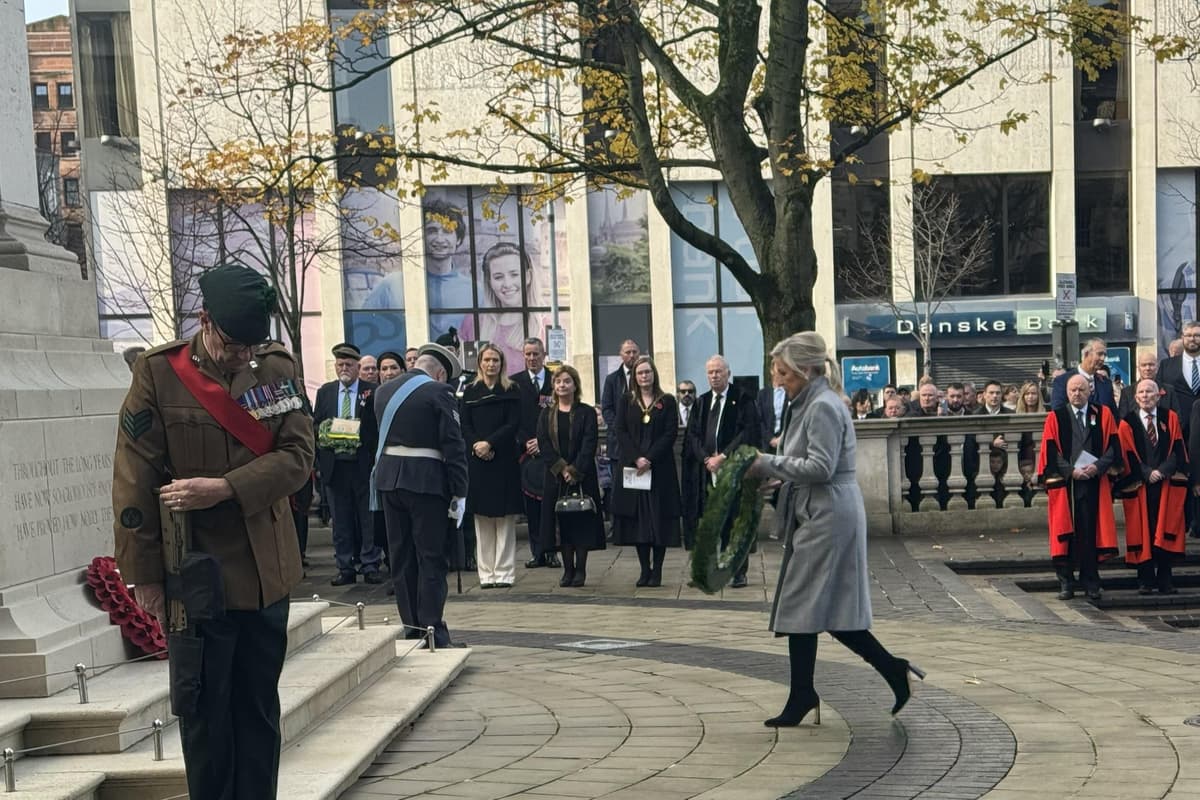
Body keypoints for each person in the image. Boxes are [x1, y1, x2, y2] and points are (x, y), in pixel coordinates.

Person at [112, 263, 314, 800]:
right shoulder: (159, 373)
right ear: (204, 321)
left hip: (266, 571)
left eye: (250, 347)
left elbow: (298, 457)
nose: (243, 357)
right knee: (204, 713)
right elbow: (134, 479)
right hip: (196, 574)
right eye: (232, 345)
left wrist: (225, 488)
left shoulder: (275, 369)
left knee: (257, 709)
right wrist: (144, 577)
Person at [750, 331, 923, 727]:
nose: (777, 380)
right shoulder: (810, 402)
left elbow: (821, 467)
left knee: (805, 605)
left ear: (807, 370)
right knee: (823, 608)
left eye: (783, 373)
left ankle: (810, 693)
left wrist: (766, 463)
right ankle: (886, 672)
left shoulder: (822, 406)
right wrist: (777, 475)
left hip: (827, 513)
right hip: (823, 509)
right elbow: (808, 462)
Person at [374, 343, 468, 647]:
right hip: (426, 483)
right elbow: (453, 445)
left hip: (389, 480)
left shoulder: (383, 392)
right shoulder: (439, 392)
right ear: (440, 374)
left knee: (401, 558)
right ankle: (433, 631)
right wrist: (460, 491)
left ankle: (412, 628)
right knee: (431, 558)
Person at [1037, 373, 1121, 601]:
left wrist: (1097, 467)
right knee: (1065, 534)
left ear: (1090, 391)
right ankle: (1066, 582)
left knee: (1090, 532)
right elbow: (1050, 451)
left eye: (1081, 389)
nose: (1077, 393)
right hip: (1066, 485)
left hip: (1094, 483)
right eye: (1073, 390)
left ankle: (1091, 581)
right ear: (1067, 392)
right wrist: (1070, 471)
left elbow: (1113, 447)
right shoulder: (1056, 417)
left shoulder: (1103, 414)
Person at [683, 354, 760, 580]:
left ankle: (738, 571)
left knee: (734, 520)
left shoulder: (742, 399)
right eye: (710, 372)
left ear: (728, 373)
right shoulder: (702, 402)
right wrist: (706, 459)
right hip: (708, 471)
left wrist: (724, 456)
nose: (714, 376)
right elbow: (693, 435)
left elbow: (748, 431)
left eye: (718, 371)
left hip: (733, 469)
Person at [313, 342, 383, 585]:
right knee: (340, 520)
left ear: (357, 367)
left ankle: (370, 564)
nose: (344, 368)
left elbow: (377, 427)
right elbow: (317, 423)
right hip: (335, 465)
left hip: (362, 464)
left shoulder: (371, 391)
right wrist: (326, 435)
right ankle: (345, 566)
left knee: (367, 518)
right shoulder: (325, 392)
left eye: (349, 365)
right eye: (340, 364)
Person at [611, 356, 681, 587]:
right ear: (634, 376)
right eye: (640, 373)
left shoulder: (667, 401)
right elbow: (621, 431)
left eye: (647, 372)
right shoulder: (626, 400)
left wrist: (650, 458)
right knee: (638, 523)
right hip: (635, 470)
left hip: (659, 469)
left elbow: (670, 433)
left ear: (654, 374)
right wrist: (637, 458)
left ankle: (657, 570)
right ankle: (644, 570)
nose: (644, 376)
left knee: (659, 521)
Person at [460, 342, 523, 589]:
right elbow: (464, 424)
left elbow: (513, 423)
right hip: (478, 462)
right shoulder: (470, 391)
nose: (491, 364)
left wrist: (490, 443)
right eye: (487, 360)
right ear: (480, 363)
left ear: (502, 364)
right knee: (482, 519)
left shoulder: (511, 389)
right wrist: (477, 445)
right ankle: (486, 574)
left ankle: (504, 573)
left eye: (495, 360)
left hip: (503, 460)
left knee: (505, 520)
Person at [1116, 379, 1187, 594]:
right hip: (1140, 485)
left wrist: (1162, 471)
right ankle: (1145, 580)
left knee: (1164, 529)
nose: (1145, 395)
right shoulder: (1127, 422)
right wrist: (1147, 472)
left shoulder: (1169, 417)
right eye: (1141, 392)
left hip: (1165, 485)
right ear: (1136, 397)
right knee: (1143, 532)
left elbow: (1177, 448)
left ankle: (1165, 580)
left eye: (1149, 392)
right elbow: (1127, 454)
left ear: (1158, 396)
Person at [538, 364, 606, 587]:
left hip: (582, 475)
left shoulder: (586, 412)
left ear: (575, 385)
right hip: (556, 477)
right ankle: (567, 570)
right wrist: (562, 468)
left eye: (567, 381)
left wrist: (575, 470)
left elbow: (589, 442)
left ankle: (580, 570)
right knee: (562, 524)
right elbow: (543, 443)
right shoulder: (547, 414)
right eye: (558, 382)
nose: (562, 385)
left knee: (581, 523)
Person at [509, 337, 561, 569]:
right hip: (526, 453)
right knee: (532, 507)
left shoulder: (556, 379)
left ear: (544, 355)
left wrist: (544, 442)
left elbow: (560, 415)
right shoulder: (514, 383)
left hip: (552, 451)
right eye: (528, 354)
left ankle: (552, 552)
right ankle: (537, 552)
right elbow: (513, 419)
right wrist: (526, 442)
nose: (532, 358)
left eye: (536, 354)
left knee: (552, 505)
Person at [460, 242, 547, 371]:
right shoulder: (473, 323)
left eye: (514, 275)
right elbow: (469, 374)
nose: (507, 284)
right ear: (489, 282)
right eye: (498, 277)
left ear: (528, 277)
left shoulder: (543, 326)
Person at [1050, 338, 1117, 413]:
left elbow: (1114, 414)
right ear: (1086, 354)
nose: (1103, 358)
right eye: (1099, 354)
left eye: (1104, 355)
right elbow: (1058, 412)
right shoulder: (1062, 381)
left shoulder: (1106, 383)